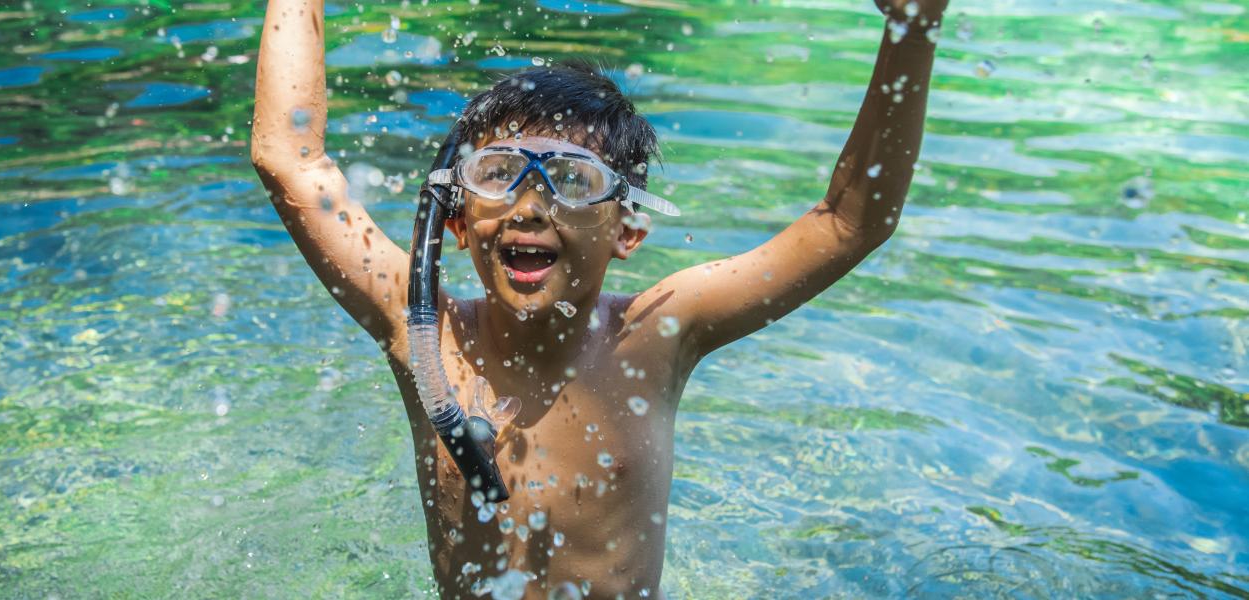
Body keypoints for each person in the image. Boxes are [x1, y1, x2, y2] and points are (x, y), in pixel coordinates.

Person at [251, 0, 946, 597]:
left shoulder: (660, 332)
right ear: (456, 221)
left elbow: (848, 224)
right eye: (497, 176)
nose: (530, 206)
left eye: (572, 181)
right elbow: (290, 160)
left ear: (628, 227)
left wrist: (913, 29)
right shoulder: (424, 332)